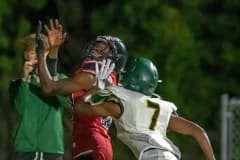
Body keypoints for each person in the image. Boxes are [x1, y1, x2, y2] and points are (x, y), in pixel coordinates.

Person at [74, 57, 216, 160]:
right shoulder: (159, 109)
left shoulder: (118, 106)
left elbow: (79, 109)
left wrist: (95, 89)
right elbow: (198, 131)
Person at [35, 27, 128, 160]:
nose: (95, 50)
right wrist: (54, 51)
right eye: (97, 46)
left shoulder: (91, 76)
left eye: (103, 50)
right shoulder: (106, 78)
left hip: (92, 142)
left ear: (114, 59)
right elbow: (54, 83)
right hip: (93, 142)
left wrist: (40, 53)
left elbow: (49, 87)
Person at [9, 19, 70, 160]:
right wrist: (25, 80)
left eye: (41, 52)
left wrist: (52, 78)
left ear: (48, 54)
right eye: (32, 52)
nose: (37, 56)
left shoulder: (60, 79)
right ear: (25, 55)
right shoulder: (17, 84)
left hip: (52, 148)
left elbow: (67, 104)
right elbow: (20, 108)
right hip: (24, 149)